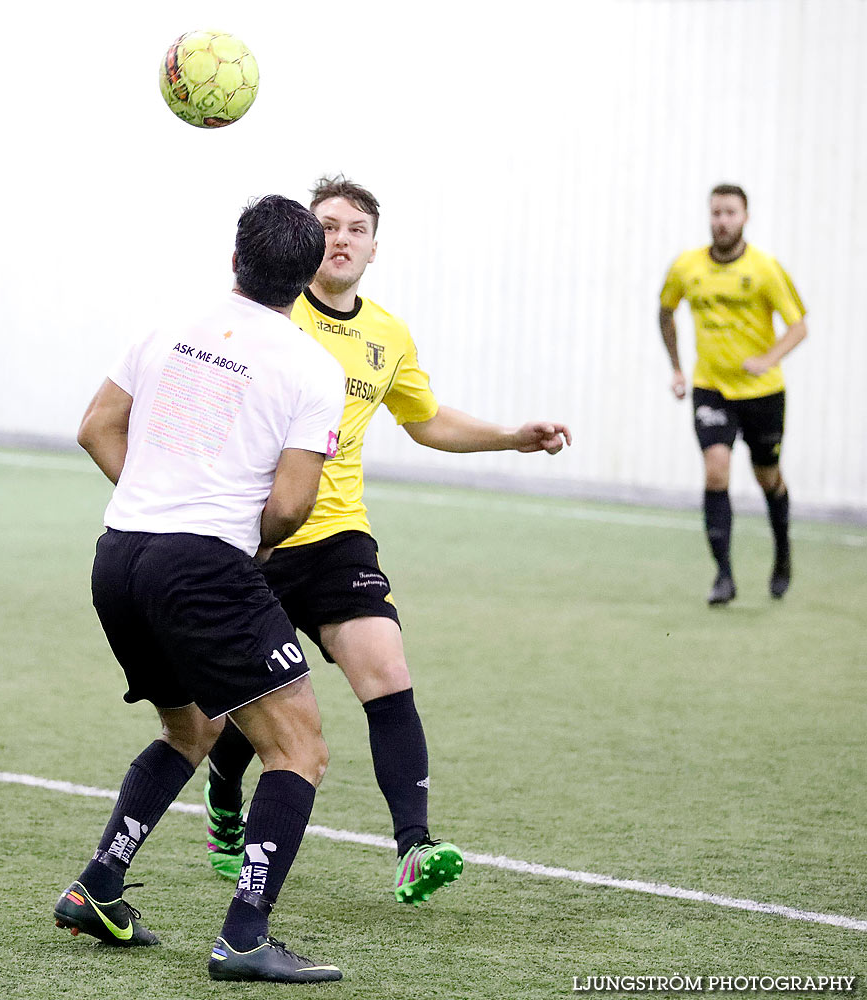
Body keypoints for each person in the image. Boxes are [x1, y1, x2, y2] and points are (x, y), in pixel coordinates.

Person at [202, 176, 572, 907]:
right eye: (328, 225)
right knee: (269, 693)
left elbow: (425, 418)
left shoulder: (388, 335)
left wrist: (510, 438)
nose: (341, 238)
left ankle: (413, 846)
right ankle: (223, 787)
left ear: (375, 246)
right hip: (254, 534)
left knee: (387, 670)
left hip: (338, 536)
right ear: (305, 239)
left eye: (356, 228)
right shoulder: (265, 315)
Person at [55, 194, 347, 984]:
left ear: (234, 259)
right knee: (299, 750)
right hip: (202, 569)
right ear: (308, 276)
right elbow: (289, 504)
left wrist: (156, 502)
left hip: (120, 555)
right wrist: (227, 544)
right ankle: (245, 936)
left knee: (193, 730)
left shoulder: (166, 326)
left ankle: (98, 886)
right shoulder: (314, 367)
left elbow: (94, 427)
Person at [659, 183, 808, 605]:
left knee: (767, 478)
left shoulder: (765, 268)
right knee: (716, 471)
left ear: (745, 217)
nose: (721, 220)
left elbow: (799, 326)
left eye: (730, 213)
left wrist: (769, 358)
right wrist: (676, 367)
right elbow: (665, 310)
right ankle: (723, 576)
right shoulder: (687, 267)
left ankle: (782, 552)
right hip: (712, 388)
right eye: (716, 212)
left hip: (763, 392)